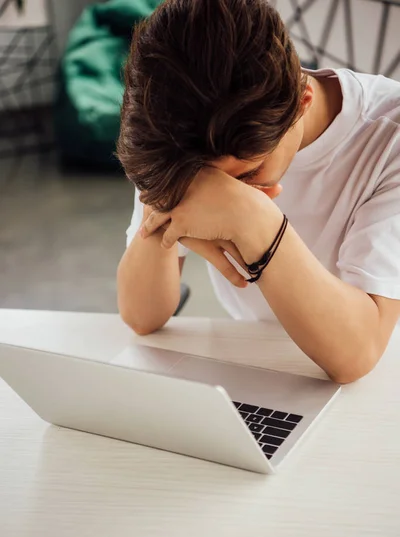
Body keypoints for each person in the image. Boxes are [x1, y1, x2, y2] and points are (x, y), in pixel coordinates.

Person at [116, 0, 400, 384]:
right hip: (262, 363)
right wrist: (168, 197)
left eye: (249, 173)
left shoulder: (389, 137)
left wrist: (254, 220)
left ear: (301, 102)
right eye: (207, 182)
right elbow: (141, 315)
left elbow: (358, 353)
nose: (222, 192)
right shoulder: (179, 128)